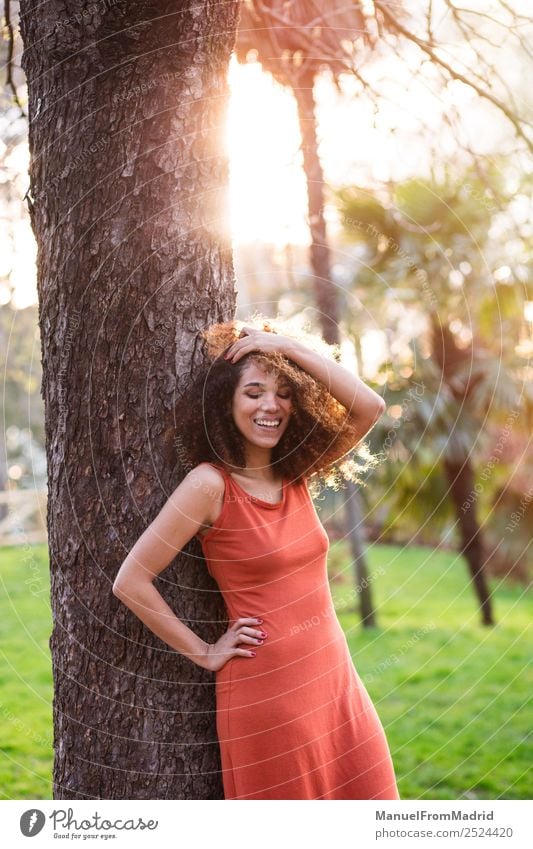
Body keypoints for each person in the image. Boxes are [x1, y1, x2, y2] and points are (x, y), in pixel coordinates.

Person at [113, 318, 400, 800]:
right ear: (228, 403)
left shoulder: (295, 472)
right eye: (254, 392)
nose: (271, 405)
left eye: (284, 392)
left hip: (335, 682)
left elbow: (369, 406)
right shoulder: (209, 485)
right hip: (268, 700)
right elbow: (131, 580)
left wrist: (285, 346)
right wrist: (205, 652)